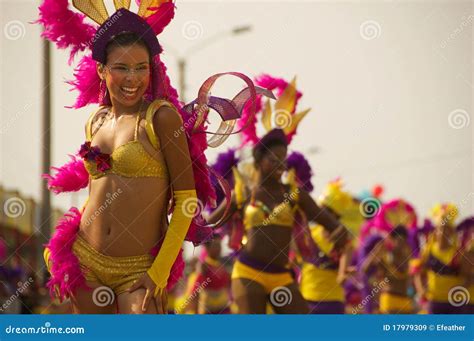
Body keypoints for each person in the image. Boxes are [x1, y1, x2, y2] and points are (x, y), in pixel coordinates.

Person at [38, 0, 259, 314]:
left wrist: (158, 271)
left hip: (137, 271)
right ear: (101, 68)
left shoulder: (161, 118)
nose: (133, 78)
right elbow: (97, 190)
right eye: (121, 67)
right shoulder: (97, 121)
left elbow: (186, 201)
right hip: (86, 262)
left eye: (141, 67)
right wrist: (62, 248)